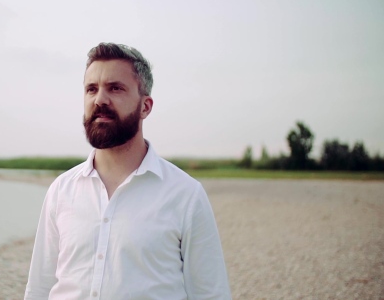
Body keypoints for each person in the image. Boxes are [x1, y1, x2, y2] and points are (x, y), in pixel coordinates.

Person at [24, 43, 231, 299]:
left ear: (145, 106)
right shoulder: (61, 190)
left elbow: (210, 293)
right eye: (91, 89)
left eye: (115, 88)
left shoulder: (185, 195)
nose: (100, 99)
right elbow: (39, 288)